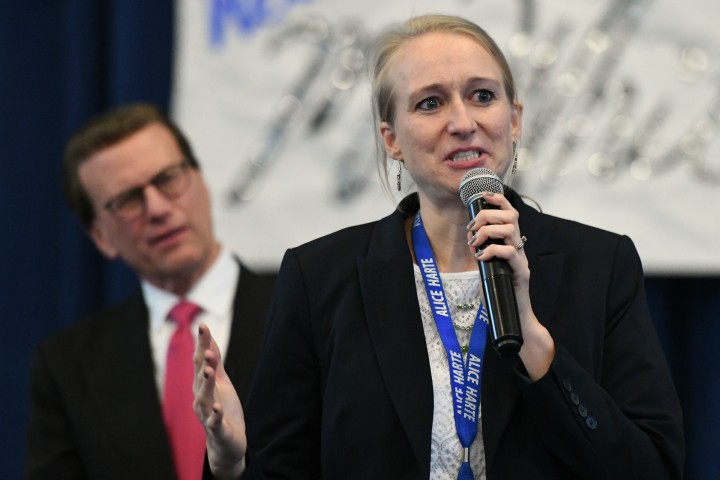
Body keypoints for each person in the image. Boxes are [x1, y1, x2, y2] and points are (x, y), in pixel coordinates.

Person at [194, 14, 685, 479]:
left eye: (482, 96)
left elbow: (653, 468)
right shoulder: (319, 278)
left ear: (514, 119)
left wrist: (535, 342)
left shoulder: (599, 266)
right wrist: (231, 464)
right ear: (392, 139)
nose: (463, 122)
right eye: (430, 103)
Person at [25, 103, 275, 480]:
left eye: (168, 179)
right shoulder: (66, 365)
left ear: (202, 181)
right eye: (128, 200)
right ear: (100, 236)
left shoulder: (308, 308)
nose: (157, 209)